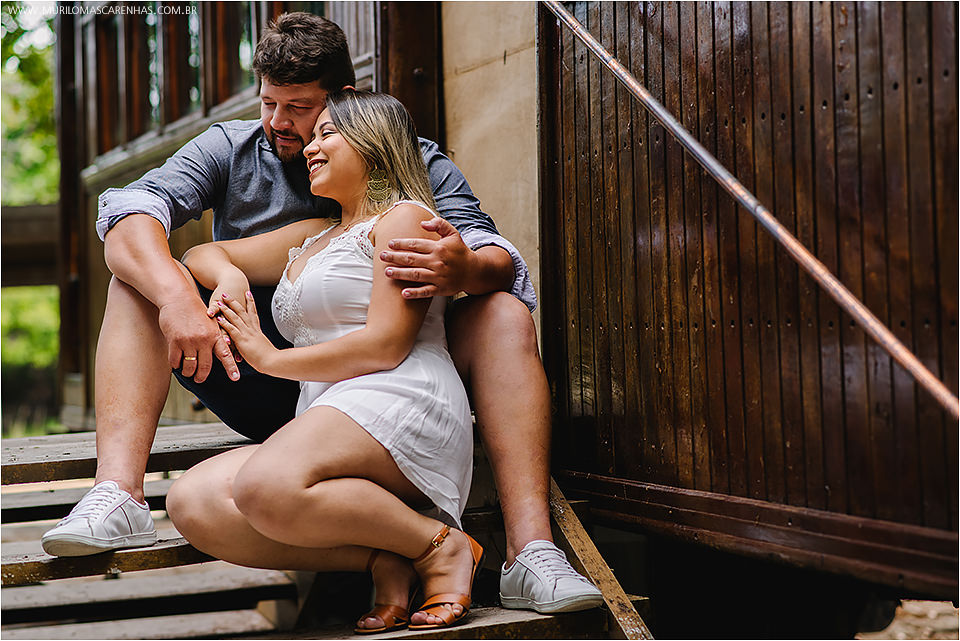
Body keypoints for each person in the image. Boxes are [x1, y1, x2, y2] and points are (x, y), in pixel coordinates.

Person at [39, 12, 602, 616]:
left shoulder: (411, 166)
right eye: (268, 103)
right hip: (261, 378)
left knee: (503, 312)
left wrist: (462, 269)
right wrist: (186, 296)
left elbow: (496, 256)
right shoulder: (232, 150)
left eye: (301, 108)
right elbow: (129, 219)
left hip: (384, 387)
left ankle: (531, 553)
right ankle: (116, 494)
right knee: (139, 282)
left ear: (346, 100)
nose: (280, 124)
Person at [172, 89, 484, 631]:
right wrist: (229, 275)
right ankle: (386, 555)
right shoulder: (315, 236)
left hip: (398, 397)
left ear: (371, 141)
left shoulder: (403, 219)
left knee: (262, 487)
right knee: (193, 502)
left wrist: (268, 358)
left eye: (327, 135)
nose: (311, 148)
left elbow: (388, 344)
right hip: (329, 410)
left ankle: (442, 548)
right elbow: (199, 253)